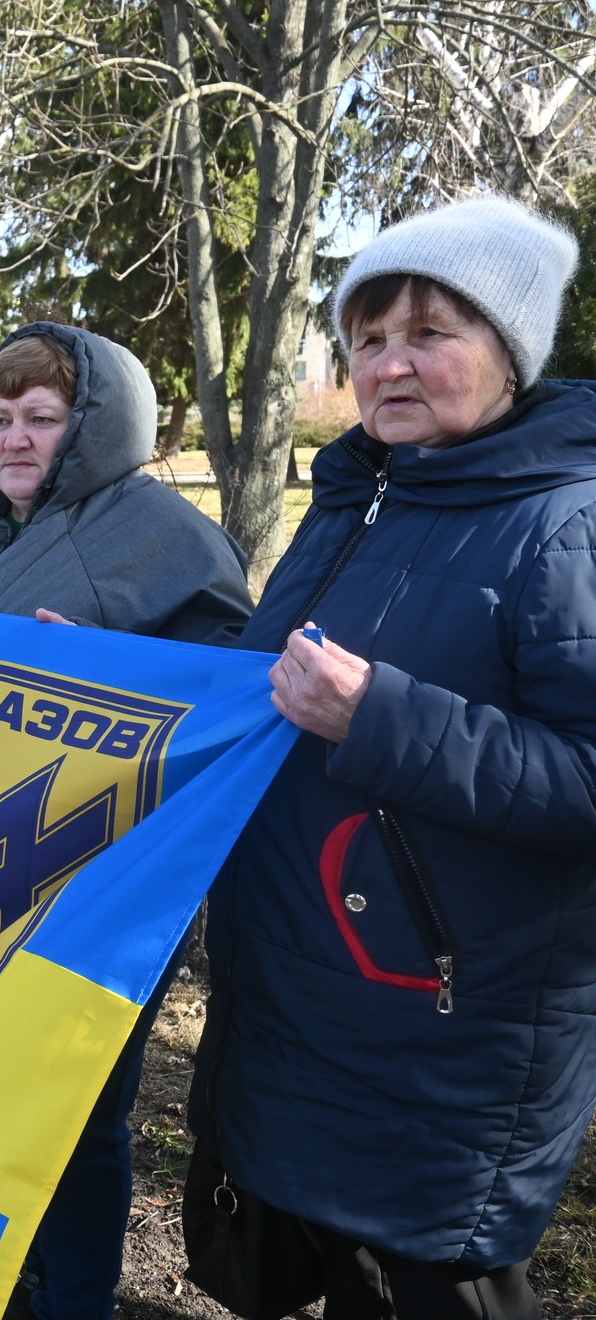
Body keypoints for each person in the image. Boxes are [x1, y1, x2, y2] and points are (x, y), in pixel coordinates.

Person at [187, 196, 596, 1320]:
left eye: (428, 334)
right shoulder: (358, 501)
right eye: (366, 339)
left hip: (441, 1034)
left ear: (507, 354)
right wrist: (109, 677)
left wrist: (380, 720)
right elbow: (263, 679)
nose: (388, 366)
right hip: (300, 994)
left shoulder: (568, 525)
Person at [0, 324, 252, 1318]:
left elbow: (228, 683)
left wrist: (107, 666)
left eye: (40, 418)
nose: (12, 438)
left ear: (93, 426)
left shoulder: (162, 536)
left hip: (100, 885)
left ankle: (74, 1300)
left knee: (77, 1111)